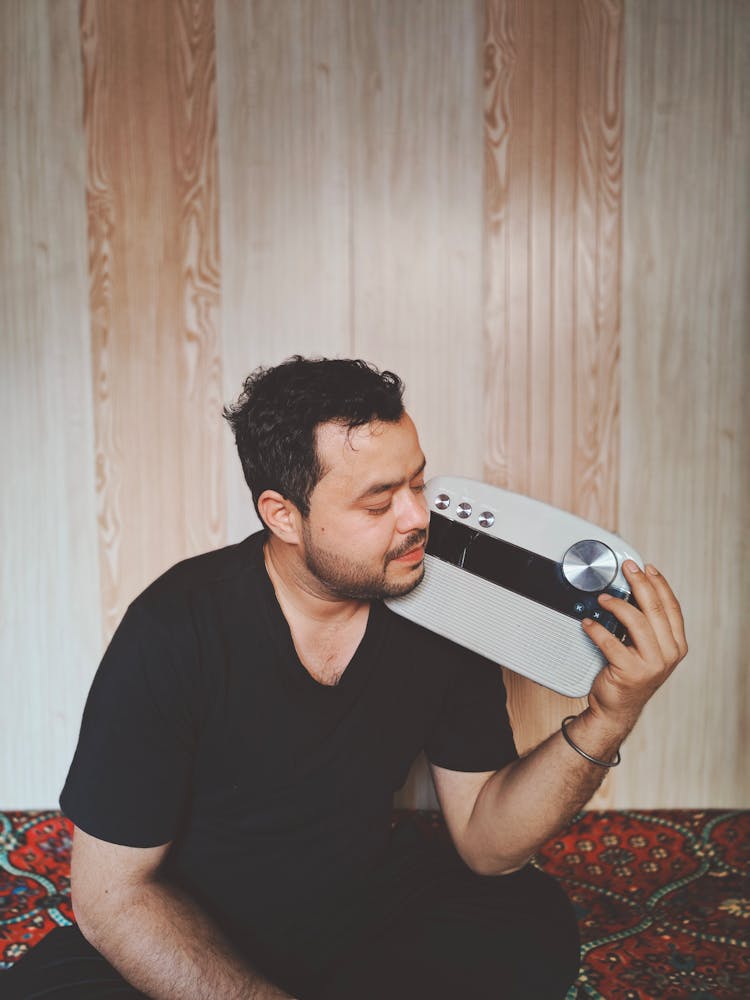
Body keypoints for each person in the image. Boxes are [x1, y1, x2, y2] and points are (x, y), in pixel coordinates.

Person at [6, 356, 687, 1000]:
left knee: (528, 916)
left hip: (359, 916)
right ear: (283, 515)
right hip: (194, 925)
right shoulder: (175, 629)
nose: (418, 517)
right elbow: (112, 897)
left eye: (417, 484)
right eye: (378, 501)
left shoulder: (440, 608)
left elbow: (487, 843)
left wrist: (611, 713)